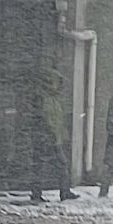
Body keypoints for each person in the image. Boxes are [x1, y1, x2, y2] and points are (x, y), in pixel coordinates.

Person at [29, 64, 78, 204]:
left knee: (55, 164)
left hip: (53, 137)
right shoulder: (42, 98)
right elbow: (43, 118)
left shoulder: (54, 99)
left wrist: (62, 134)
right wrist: (47, 132)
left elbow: (57, 119)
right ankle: (41, 192)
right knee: (45, 165)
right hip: (45, 137)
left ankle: (62, 191)